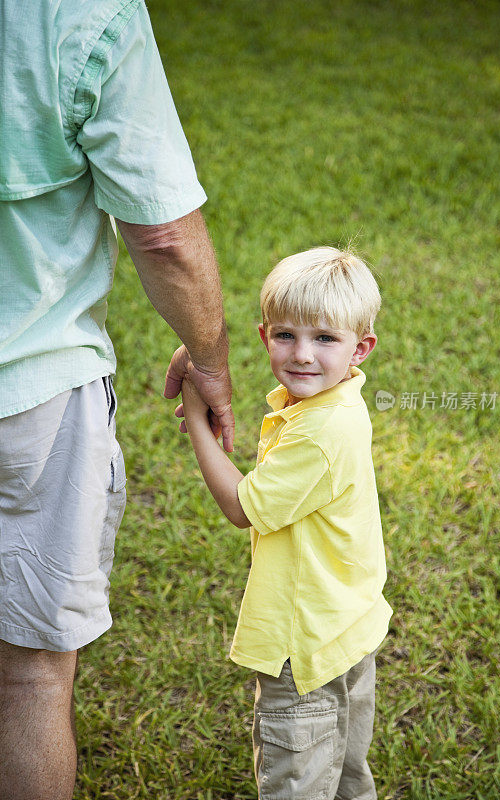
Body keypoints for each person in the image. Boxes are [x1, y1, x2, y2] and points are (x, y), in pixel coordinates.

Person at [0, 2, 233, 799]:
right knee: (29, 679)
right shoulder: (82, 12)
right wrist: (210, 360)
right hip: (31, 387)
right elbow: (164, 234)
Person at [179, 246, 393, 799]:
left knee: (297, 784)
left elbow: (241, 506)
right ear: (263, 335)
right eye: (285, 335)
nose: (301, 354)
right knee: (345, 776)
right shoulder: (336, 404)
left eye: (324, 338)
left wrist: (196, 415)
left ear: (359, 349)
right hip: (345, 626)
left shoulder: (320, 433)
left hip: (304, 648)